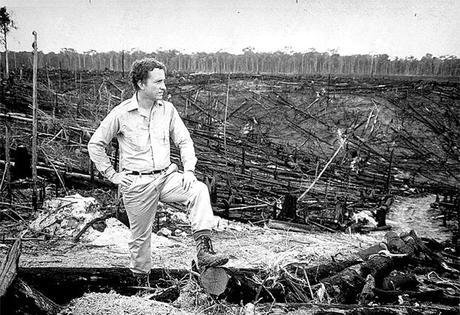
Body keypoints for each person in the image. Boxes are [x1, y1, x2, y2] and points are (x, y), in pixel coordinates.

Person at [88, 58, 229, 288]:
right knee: (140, 239)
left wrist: (189, 170)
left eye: (164, 81)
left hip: (166, 177)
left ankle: (204, 250)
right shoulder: (121, 113)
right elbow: (95, 145)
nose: (164, 86)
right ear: (141, 84)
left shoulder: (168, 110)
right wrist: (112, 175)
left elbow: (184, 141)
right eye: (158, 82)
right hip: (137, 183)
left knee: (198, 190)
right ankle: (141, 286)